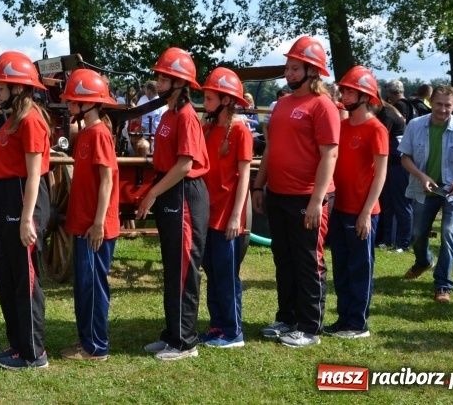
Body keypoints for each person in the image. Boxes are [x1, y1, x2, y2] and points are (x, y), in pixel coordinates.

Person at [251, 36, 340, 348]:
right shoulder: (283, 104)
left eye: (294, 67)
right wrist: (259, 185)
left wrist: (317, 200)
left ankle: (310, 327)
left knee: (307, 261)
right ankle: (286, 317)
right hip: (277, 193)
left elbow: (330, 154)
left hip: (307, 198)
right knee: (284, 259)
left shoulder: (324, 106)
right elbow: (272, 149)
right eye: (287, 67)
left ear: (312, 71)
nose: (288, 73)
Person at [136, 47, 210, 361]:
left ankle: (185, 342)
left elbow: (184, 164)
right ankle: (172, 334)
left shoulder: (188, 116)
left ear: (180, 82)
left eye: (163, 77)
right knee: (172, 267)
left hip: (185, 194)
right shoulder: (168, 114)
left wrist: (152, 193)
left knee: (183, 270)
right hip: (171, 191)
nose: (158, 81)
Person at [0, 51, 51, 370]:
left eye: (1, 88)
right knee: (5, 275)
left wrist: (26, 218)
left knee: (25, 279)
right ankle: (17, 345)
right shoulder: (13, 121)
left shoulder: (31, 121)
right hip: (8, 201)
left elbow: (34, 173)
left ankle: (33, 353)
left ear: (18, 89)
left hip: (24, 202)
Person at [58, 69, 120, 362]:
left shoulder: (99, 135)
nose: (69, 105)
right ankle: (86, 341)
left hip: (96, 228)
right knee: (84, 286)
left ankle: (96, 347)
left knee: (93, 287)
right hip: (83, 223)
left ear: (89, 103)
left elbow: (107, 180)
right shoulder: (84, 133)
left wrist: (98, 223)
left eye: (73, 101)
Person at [324, 67, 388, 339]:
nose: (343, 94)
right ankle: (344, 318)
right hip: (339, 208)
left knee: (360, 268)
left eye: (349, 90)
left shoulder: (377, 129)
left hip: (362, 212)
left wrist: (365, 213)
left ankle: (358, 323)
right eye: (343, 89)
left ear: (364, 95)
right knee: (341, 266)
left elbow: (381, 174)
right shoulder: (342, 125)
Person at [399, 85, 453, 303]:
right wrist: (422, 176)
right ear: (431, 103)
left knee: (448, 233)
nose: (443, 109)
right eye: (439, 104)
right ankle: (423, 261)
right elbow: (405, 157)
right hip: (424, 188)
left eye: (447, 105)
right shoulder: (415, 125)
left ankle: (442, 284)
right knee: (416, 234)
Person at [197, 67, 252, 349]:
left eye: (208, 98)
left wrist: (235, 217)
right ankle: (217, 325)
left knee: (227, 275)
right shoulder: (206, 130)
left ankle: (233, 331)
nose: (204, 104)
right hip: (208, 214)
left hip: (227, 217)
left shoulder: (241, 133)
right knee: (213, 272)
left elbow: (244, 178)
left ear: (226, 100)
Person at [375, 94, 411, 253]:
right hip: (390, 164)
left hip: (399, 165)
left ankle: (403, 242)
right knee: (388, 204)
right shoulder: (385, 112)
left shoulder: (387, 115)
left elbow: (379, 139)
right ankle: (387, 239)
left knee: (401, 205)